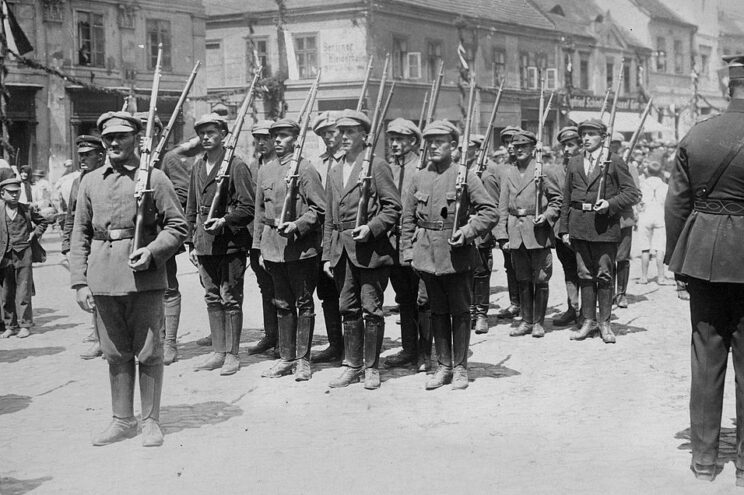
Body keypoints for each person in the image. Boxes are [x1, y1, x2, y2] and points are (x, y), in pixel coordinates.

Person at [70, 111, 188, 446]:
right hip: (103, 278)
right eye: (108, 137)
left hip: (143, 279)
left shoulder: (154, 178)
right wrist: (80, 281)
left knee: (149, 352)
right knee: (114, 352)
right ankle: (122, 419)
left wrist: (152, 250)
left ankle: (150, 421)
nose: (114, 143)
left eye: (121, 136)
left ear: (136, 138)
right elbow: (79, 232)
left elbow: (178, 226)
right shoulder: (90, 181)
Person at [664, 54, 744, 485]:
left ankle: (704, 462)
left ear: (729, 86)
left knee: (706, 360)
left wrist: (678, 263)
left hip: (704, 260)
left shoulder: (697, 134)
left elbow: (676, 204)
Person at [400, 120, 498, 390]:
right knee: (438, 312)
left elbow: (490, 211)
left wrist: (467, 231)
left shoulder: (464, 176)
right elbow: (407, 218)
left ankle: (460, 368)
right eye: (429, 141)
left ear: (453, 145)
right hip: (426, 256)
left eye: (439, 141)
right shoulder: (419, 177)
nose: (433, 146)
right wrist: (407, 250)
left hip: (456, 256)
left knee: (460, 312)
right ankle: (443, 366)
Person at [322, 109, 401, 390]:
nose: (343, 137)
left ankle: (371, 367)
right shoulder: (334, 170)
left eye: (350, 132)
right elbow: (329, 217)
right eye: (340, 132)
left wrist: (371, 227)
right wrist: (326, 255)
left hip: (370, 252)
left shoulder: (376, 166)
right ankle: (352, 365)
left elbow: (393, 207)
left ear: (364, 135)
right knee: (347, 307)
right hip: (341, 251)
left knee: (372, 308)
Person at [254, 118, 325, 380]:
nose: (277, 140)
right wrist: (258, 247)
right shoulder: (265, 170)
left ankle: (303, 360)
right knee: (282, 304)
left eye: (284, 136)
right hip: (272, 247)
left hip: (300, 249)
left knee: (303, 303)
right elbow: (260, 213)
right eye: (275, 136)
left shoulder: (305, 169)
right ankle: (286, 358)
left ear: (296, 139)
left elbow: (320, 209)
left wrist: (297, 225)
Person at [186, 113, 255, 376]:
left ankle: (232, 354)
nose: (205, 137)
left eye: (211, 132)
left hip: (229, 243)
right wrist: (190, 242)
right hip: (204, 242)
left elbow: (247, 207)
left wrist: (225, 220)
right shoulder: (197, 166)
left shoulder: (236, 165)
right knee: (212, 297)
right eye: (201, 133)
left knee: (231, 298)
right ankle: (217, 351)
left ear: (223, 134)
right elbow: (191, 206)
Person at [559, 119, 639, 344]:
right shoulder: (575, 162)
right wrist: (564, 229)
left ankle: (604, 323)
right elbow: (566, 198)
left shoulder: (614, 161)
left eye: (592, 134)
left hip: (604, 227)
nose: (586, 138)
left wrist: (610, 204)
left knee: (604, 275)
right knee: (584, 275)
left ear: (603, 138)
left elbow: (632, 193)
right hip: (579, 226)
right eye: (583, 134)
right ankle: (588, 321)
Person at [496, 130, 562, 338]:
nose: (519, 150)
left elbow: (557, 200)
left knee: (541, 278)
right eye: (516, 147)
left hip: (537, 231)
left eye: (524, 146)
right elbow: (502, 206)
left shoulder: (543, 170)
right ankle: (526, 321)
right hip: (516, 232)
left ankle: (538, 322)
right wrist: (502, 235)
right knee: (522, 278)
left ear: (533, 148)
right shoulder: (508, 172)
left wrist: (547, 215)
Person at [383, 117, 431, 369]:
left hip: (417, 242)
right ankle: (409, 349)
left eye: (400, 139)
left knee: (423, 299)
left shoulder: (423, 169)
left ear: (413, 141)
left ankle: (425, 353)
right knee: (403, 298)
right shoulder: (387, 169)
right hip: (392, 244)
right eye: (392, 139)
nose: (394, 144)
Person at [61, 135, 106, 359]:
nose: (82, 159)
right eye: (80, 155)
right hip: (86, 244)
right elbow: (71, 216)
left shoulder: (109, 177)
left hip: (105, 242)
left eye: (88, 155)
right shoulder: (78, 182)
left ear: (101, 156)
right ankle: (99, 340)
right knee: (93, 292)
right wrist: (66, 246)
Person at [309, 112, 344, 363]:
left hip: (345, 236)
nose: (328, 137)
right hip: (321, 237)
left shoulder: (354, 162)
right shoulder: (316, 164)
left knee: (349, 293)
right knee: (327, 294)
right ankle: (335, 344)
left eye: (332, 132)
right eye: (324, 134)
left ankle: (355, 347)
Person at [244, 121, 280, 357]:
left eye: (266, 138)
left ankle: (284, 340)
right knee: (265, 288)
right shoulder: (252, 166)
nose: (261, 142)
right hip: (256, 238)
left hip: (277, 236)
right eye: (257, 138)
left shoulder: (283, 165)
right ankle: (271, 335)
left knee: (281, 289)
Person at [0, 178, 47, 338]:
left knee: (23, 291)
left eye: (17, 192)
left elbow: (43, 222)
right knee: (6, 293)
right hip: (4, 256)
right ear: (2, 193)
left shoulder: (27, 209)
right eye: (10, 192)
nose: (14, 195)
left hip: (23, 254)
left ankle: (25, 325)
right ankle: (10, 325)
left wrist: (35, 234)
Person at [468, 134, 500, 335]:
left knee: (480, 273)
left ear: (478, 150)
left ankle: (481, 314)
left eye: (469, 147)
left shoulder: (486, 175)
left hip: (480, 231)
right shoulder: (461, 170)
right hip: (464, 229)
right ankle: (469, 311)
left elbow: (492, 207)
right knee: (466, 273)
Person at [552, 126, 582, 327]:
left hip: (582, 227)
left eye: (570, 145)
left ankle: (587, 313)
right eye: (564, 146)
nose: (566, 149)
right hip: (561, 229)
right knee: (569, 269)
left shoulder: (588, 167)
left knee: (586, 271)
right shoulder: (556, 171)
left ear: (580, 146)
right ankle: (573, 308)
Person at [610, 133, 641, 308]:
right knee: (605, 258)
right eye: (611, 144)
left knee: (622, 257)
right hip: (603, 218)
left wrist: (620, 198)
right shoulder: (601, 165)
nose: (613, 148)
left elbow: (637, 195)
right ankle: (607, 292)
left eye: (616, 145)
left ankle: (621, 293)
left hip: (623, 219)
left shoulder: (629, 167)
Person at [495, 126, 522, 319]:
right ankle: (515, 302)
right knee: (510, 265)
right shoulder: (501, 169)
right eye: (506, 142)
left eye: (513, 141)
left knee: (529, 266)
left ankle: (530, 305)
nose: (510, 146)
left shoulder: (531, 166)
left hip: (527, 223)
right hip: (508, 223)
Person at [637, 161, 669, 285]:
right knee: (660, 248)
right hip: (660, 216)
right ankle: (661, 277)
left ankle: (644, 277)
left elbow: (638, 201)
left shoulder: (642, 185)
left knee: (645, 248)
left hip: (645, 216)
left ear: (648, 172)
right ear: (660, 172)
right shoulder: (665, 186)